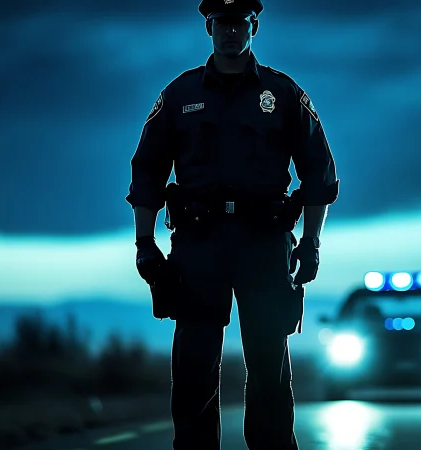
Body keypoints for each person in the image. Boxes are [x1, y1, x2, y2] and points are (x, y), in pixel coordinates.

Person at [124, 0, 339, 448]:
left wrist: (311, 243)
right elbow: (147, 172)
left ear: (253, 26)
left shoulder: (282, 94)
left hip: (264, 243)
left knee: (268, 371)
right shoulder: (179, 96)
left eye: (239, 22)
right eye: (220, 22)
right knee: (194, 372)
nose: (229, 31)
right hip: (199, 247)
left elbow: (319, 173)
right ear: (208, 27)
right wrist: (145, 244)